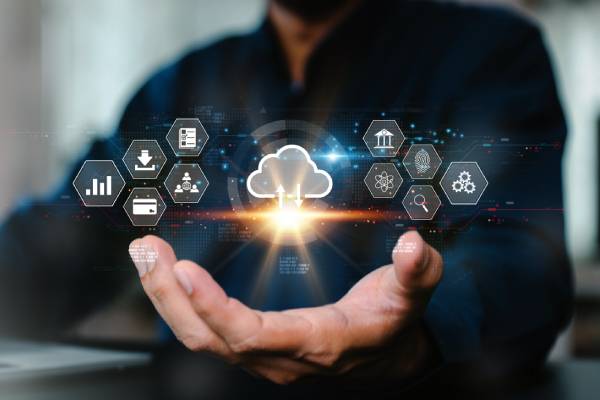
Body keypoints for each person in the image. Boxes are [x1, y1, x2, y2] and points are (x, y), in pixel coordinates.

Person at [0, 0, 572, 389]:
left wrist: (414, 335)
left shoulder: (487, 55)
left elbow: (521, 263)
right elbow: (59, 242)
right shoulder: (182, 88)